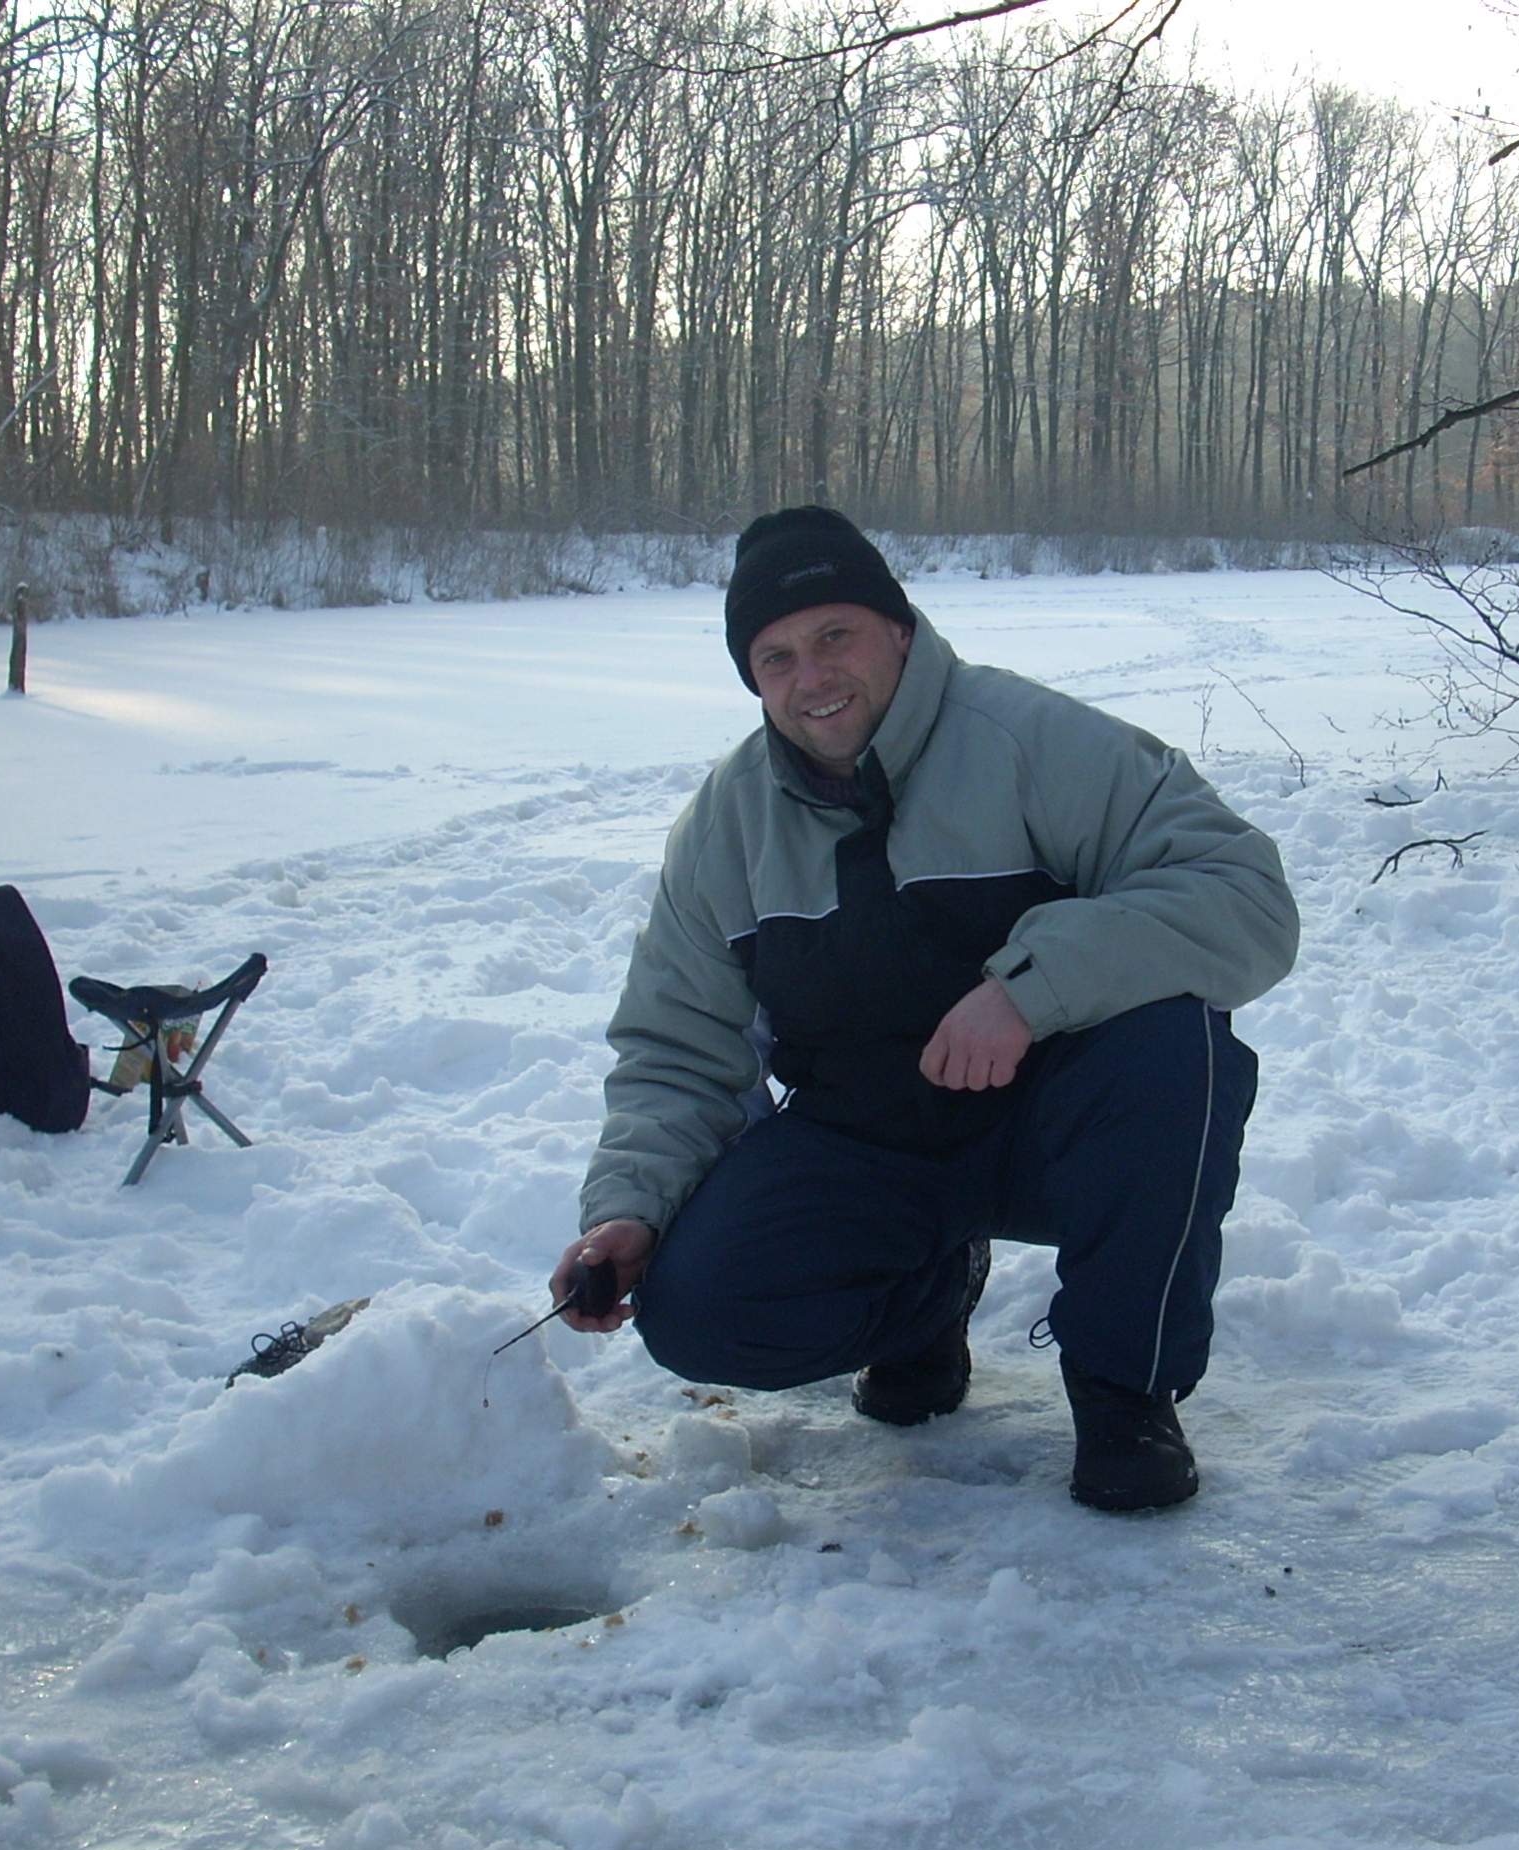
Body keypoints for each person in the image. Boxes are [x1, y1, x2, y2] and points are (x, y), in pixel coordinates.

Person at [546, 506, 1297, 1510]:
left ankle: (1127, 1390)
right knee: (698, 1309)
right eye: (776, 657)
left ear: (899, 629)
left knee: (1177, 1049)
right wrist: (628, 1210)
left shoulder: (1031, 741)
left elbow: (1243, 896)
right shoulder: (727, 825)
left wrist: (1028, 992)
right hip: (871, 1144)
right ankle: (925, 1301)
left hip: (1063, 1132)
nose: (812, 676)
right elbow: (676, 1047)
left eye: (835, 635)